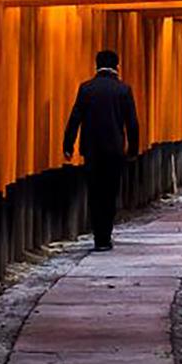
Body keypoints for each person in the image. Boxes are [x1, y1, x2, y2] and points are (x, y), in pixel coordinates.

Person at [63, 49, 140, 251]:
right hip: (114, 151)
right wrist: (133, 150)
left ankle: (98, 238)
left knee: (95, 192)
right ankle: (106, 236)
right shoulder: (123, 90)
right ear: (117, 66)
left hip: (92, 150)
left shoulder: (86, 89)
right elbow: (132, 123)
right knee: (110, 192)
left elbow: (75, 118)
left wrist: (68, 145)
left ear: (96, 65)